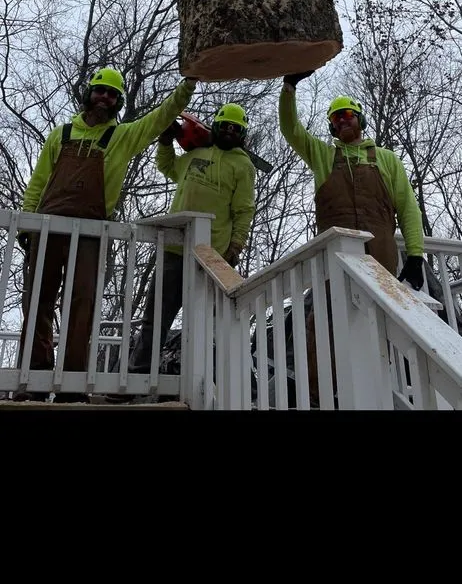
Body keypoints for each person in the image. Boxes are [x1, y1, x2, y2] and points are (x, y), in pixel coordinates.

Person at [15, 67, 198, 403]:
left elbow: (162, 116)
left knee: (82, 306)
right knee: (36, 303)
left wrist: (189, 83)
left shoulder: (123, 137)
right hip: (47, 228)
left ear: (118, 102)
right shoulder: (61, 134)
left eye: (112, 94)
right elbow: (38, 182)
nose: (105, 97)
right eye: (100, 90)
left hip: (91, 233)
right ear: (89, 93)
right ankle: (34, 381)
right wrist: (28, 226)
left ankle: (71, 386)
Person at [279, 72, 425, 405]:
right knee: (323, 326)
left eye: (348, 115)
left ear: (360, 119)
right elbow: (291, 130)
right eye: (336, 118)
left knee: (383, 325)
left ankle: (386, 392)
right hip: (333, 260)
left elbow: (408, 208)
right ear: (331, 127)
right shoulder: (322, 155)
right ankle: (321, 398)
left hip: (381, 257)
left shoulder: (386, 159)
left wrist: (415, 254)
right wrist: (289, 88)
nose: (343, 121)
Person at [105, 102, 256, 403]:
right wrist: (164, 142)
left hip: (212, 255)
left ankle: (219, 386)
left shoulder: (243, 166)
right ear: (215, 127)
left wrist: (236, 245)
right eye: (224, 125)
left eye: (234, 128)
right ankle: (136, 380)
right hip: (175, 247)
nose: (228, 131)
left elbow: (243, 210)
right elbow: (167, 167)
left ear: (242, 134)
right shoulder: (195, 155)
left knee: (209, 325)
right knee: (155, 319)